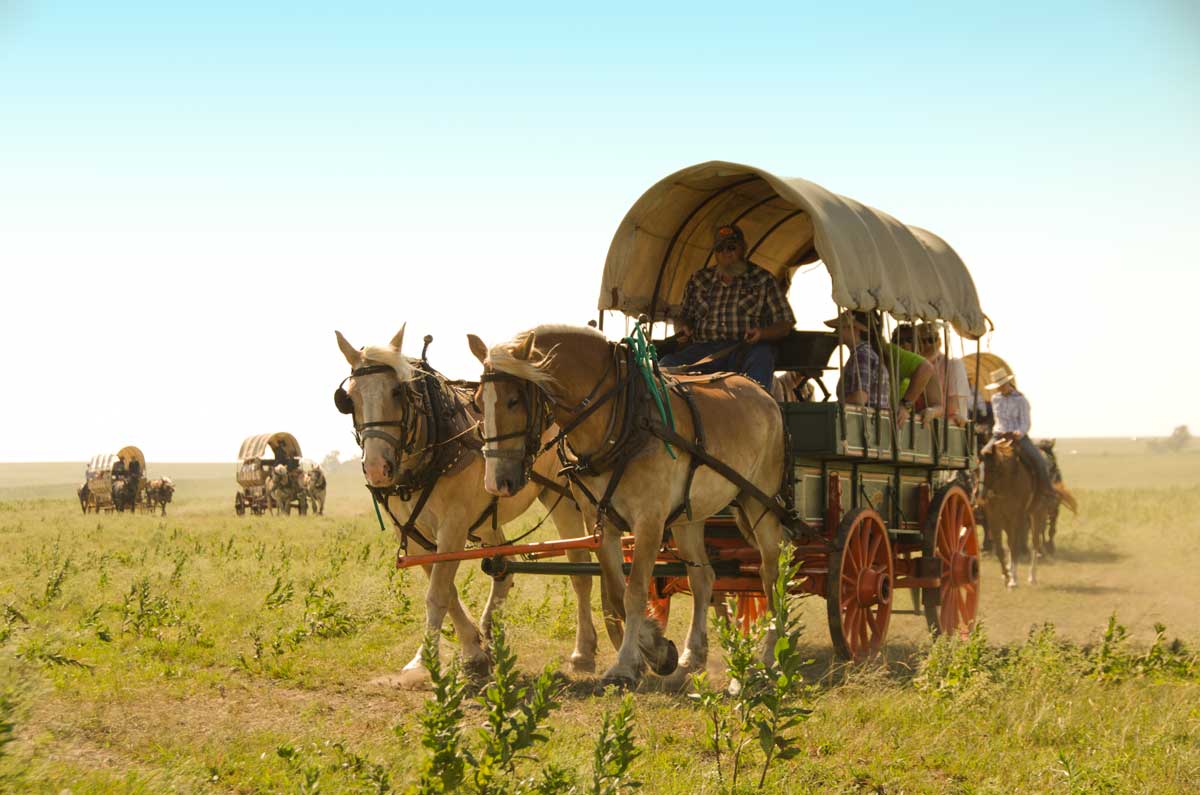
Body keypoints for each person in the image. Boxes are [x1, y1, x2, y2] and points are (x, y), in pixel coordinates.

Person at [659, 223, 795, 390]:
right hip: (704, 351)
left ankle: (753, 410)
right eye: (720, 249)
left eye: (731, 247)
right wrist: (682, 328)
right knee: (666, 366)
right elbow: (683, 316)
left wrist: (762, 333)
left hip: (745, 349)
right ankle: (670, 414)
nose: (726, 253)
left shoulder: (762, 280)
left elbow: (785, 323)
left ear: (743, 248)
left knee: (762, 357)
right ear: (715, 253)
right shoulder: (699, 280)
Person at [984, 367, 1055, 498]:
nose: (1000, 388)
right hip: (999, 435)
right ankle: (981, 491)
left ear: (1008, 383)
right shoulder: (995, 399)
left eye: (1002, 385)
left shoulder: (1021, 400)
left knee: (1039, 460)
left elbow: (1026, 423)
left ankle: (1046, 490)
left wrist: (1019, 432)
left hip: (1018, 437)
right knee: (982, 456)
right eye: (998, 386)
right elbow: (997, 420)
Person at [824, 309, 889, 408]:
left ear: (854, 328)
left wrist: (833, 406)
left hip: (862, 422)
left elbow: (859, 398)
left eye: (839, 327)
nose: (836, 332)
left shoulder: (861, 356)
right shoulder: (866, 353)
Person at [885, 324, 942, 424]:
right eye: (897, 341)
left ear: (918, 343)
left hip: (903, 422)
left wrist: (931, 412)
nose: (904, 344)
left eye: (909, 340)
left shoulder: (925, 369)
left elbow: (938, 406)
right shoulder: (888, 363)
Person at [916, 322, 971, 425]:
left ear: (939, 342)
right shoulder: (915, 364)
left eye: (931, 340)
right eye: (922, 341)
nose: (927, 344)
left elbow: (954, 406)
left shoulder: (953, 365)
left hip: (946, 426)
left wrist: (934, 411)